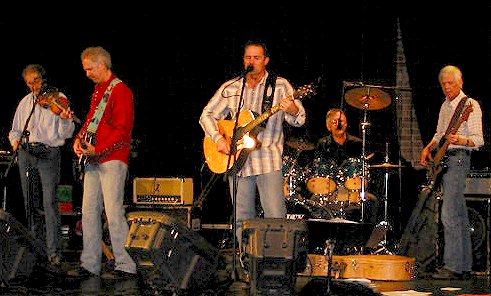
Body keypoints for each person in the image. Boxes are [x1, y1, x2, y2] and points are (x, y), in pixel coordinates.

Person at [199, 40, 307, 250]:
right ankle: (247, 260)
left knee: (275, 216)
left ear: (266, 60)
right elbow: (206, 115)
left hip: (268, 160)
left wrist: (292, 109)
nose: (252, 61)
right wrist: (218, 139)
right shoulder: (231, 88)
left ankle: (276, 263)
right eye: (248, 57)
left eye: (257, 57)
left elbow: (300, 118)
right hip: (237, 162)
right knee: (241, 219)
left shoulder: (280, 85)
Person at [68, 46, 136, 280]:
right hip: (94, 158)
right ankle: (90, 264)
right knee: (88, 212)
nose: (87, 74)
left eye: (89, 69)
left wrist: (99, 148)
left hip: (113, 159)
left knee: (113, 212)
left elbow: (123, 131)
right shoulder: (99, 91)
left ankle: (126, 265)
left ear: (102, 65)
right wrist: (79, 140)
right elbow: (90, 122)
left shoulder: (121, 91)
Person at [8, 64, 76, 268]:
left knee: (50, 204)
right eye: (29, 83)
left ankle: (54, 252)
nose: (33, 86)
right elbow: (15, 131)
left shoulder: (58, 98)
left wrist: (65, 120)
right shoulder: (25, 102)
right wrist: (15, 142)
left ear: (43, 78)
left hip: (48, 154)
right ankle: (36, 249)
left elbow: (66, 134)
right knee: (31, 205)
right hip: (27, 153)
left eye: (36, 80)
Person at [420, 65, 484, 280]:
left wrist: (461, 140)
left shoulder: (470, 105)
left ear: (461, 82)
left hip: (459, 159)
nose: (447, 87)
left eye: (451, 83)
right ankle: (464, 267)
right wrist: (429, 146)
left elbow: (478, 140)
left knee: (449, 214)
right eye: (444, 84)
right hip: (445, 159)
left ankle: (453, 266)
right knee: (458, 213)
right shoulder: (445, 106)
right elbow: (440, 133)